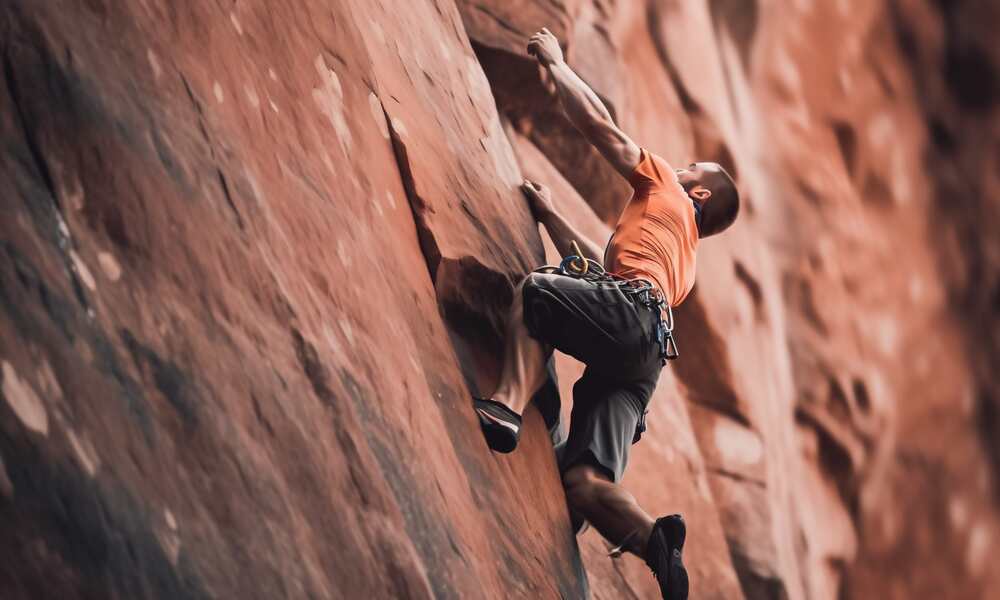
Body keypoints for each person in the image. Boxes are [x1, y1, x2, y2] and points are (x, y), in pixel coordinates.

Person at [472, 28, 740, 599]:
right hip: (647, 360)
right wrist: (547, 216)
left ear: (697, 193)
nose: (681, 165)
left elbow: (601, 128)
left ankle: (505, 407)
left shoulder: (664, 184)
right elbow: (605, 275)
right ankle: (653, 541)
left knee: (539, 292)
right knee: (585, 481)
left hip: (633, 321)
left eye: (692, 166)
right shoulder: (682, 263)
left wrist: (558, 65)